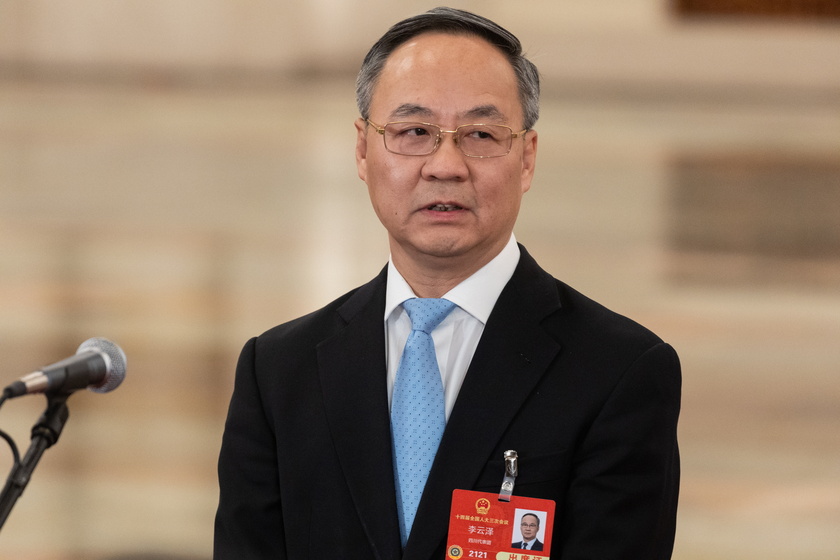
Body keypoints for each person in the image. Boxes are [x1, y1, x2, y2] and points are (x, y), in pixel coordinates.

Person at [214, 7, 681, 560]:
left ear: (526, 159)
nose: (445, 165)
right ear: (363, 150)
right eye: (414, 132)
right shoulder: (278, 373)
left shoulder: (618, 373)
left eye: (481, 134)